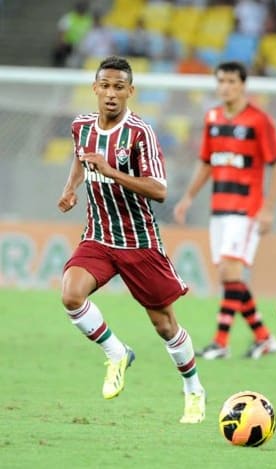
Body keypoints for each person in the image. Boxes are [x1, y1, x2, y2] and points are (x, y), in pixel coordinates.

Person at [57, 56, 205, 424]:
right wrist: (70, 188)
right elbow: (81, 158)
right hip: (99, 235)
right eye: (104, 86)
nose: (110, 94)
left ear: (130, 92)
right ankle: (117, 352)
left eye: (118, 87)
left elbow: (159, 190)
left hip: (139, 241)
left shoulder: (140, 133)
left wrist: (110, 171)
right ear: (94, 88)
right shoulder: (81, 127)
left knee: (165, 325)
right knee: (71, 294)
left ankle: (193, 389)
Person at [173, 61, 276, 360]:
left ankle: (220, 342)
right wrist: (188, 197)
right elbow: (208, 161)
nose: (225, 86)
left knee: (229, 271)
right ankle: (264, 338)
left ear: (242, 85)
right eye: (221, 81)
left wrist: (268, 208)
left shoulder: (258, 121)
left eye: (231, 81)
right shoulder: (212, 118)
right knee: (230, 276)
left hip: (246, 209)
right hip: (219, 209)